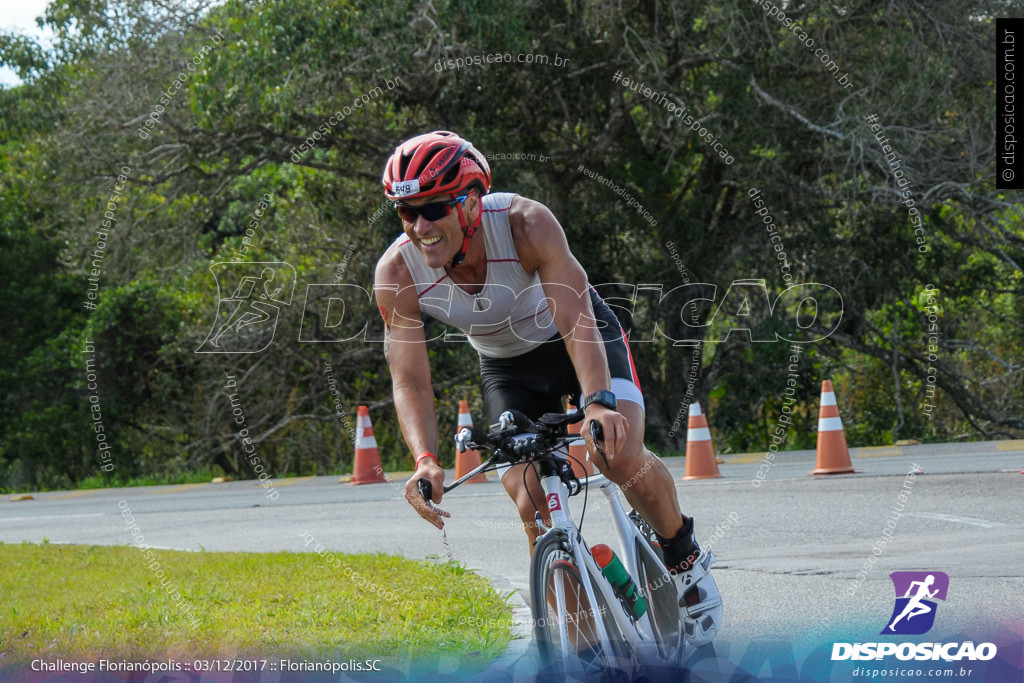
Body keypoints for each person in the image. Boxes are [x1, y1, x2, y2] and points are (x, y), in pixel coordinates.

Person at [373, 130, 722, 646]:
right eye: (406, 213)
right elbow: (410, 381)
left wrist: (599, 403)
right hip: (507, 368)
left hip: (576, 336)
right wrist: (424, 457)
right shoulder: (396, 272)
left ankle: (684, 558)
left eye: (433, 208)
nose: (420, 226)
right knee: (528, 493)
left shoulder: (524, 224)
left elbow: (576, 318)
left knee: (617, 454)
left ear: (470, 201)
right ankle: (581, 649)